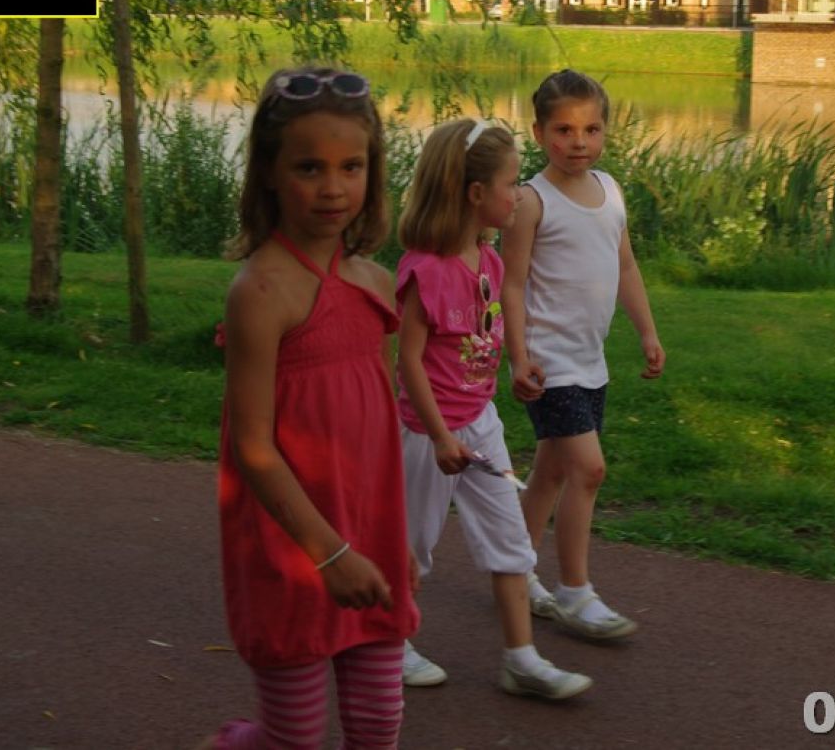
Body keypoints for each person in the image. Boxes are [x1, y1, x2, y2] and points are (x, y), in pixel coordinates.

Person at [203, 67, 418, 750]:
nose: (333, 188)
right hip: (294, 548)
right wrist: (330, 555)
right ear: (269, 172)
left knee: (378, 724)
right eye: (308, 168)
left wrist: (392, 542)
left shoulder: (376, 285)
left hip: (368, 539)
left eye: (351, 166)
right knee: (293, 737)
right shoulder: (261, 292)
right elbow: (253, 448)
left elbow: (376, 437)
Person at [394, 118, 593, 700]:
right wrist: (438, 436)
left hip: (481, 425)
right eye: (511, 183)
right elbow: (408, 363)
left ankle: (521, 660)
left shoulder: (489, 261)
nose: (520, 195)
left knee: (511, 540)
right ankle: (389, 645)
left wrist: (517, 366)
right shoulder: (425, 271)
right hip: (425, 435)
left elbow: (485, 333)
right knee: (411, 546)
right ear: (476, 193)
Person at [500, 69, 666, 642]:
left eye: (591, 129)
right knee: (588, 470)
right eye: (564, 130)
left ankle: (516, 573)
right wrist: (517, 357)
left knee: (550, 472)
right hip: (549, 364)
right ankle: (576, 592)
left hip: (590, 361)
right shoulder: (530, 201)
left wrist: (647, 332)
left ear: (605, 131)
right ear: (539, 132)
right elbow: (512, 286)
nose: (578, 142)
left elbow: (626, 266)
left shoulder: (611, 191)